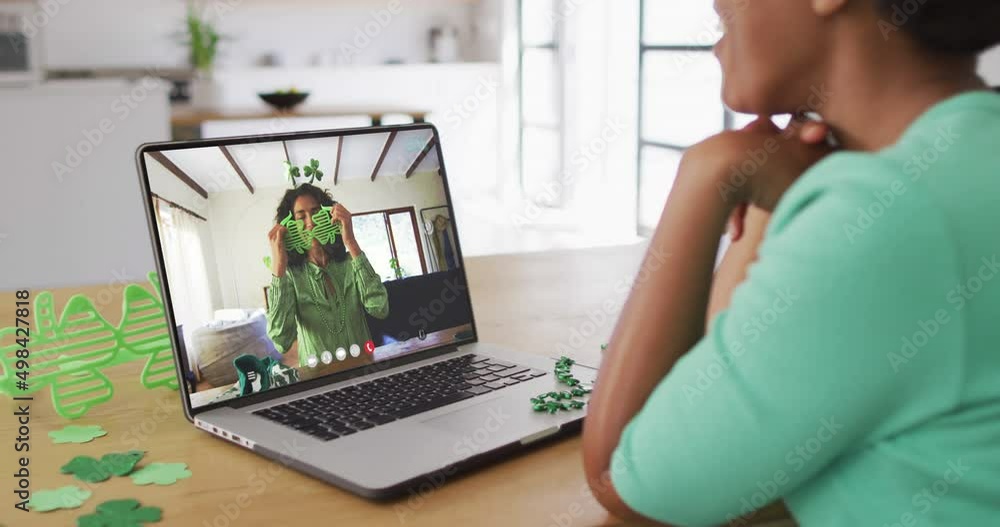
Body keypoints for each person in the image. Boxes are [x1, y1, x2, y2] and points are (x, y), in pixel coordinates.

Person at [583, 1, 1000, 525]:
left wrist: (710, 172)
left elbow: (629, 485)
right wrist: (773, 193)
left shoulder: (890, 213)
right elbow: (740, 420)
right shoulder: (962, 160)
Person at [266, 184, 389, 367]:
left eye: (316, 213)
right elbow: (281, 341)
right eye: (301, 217)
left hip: (364, 367)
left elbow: (380, 308)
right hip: (318, 376)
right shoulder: (291, 277)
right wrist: (279, 265)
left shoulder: (350, 263)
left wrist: (351, 242)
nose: (311, 223)